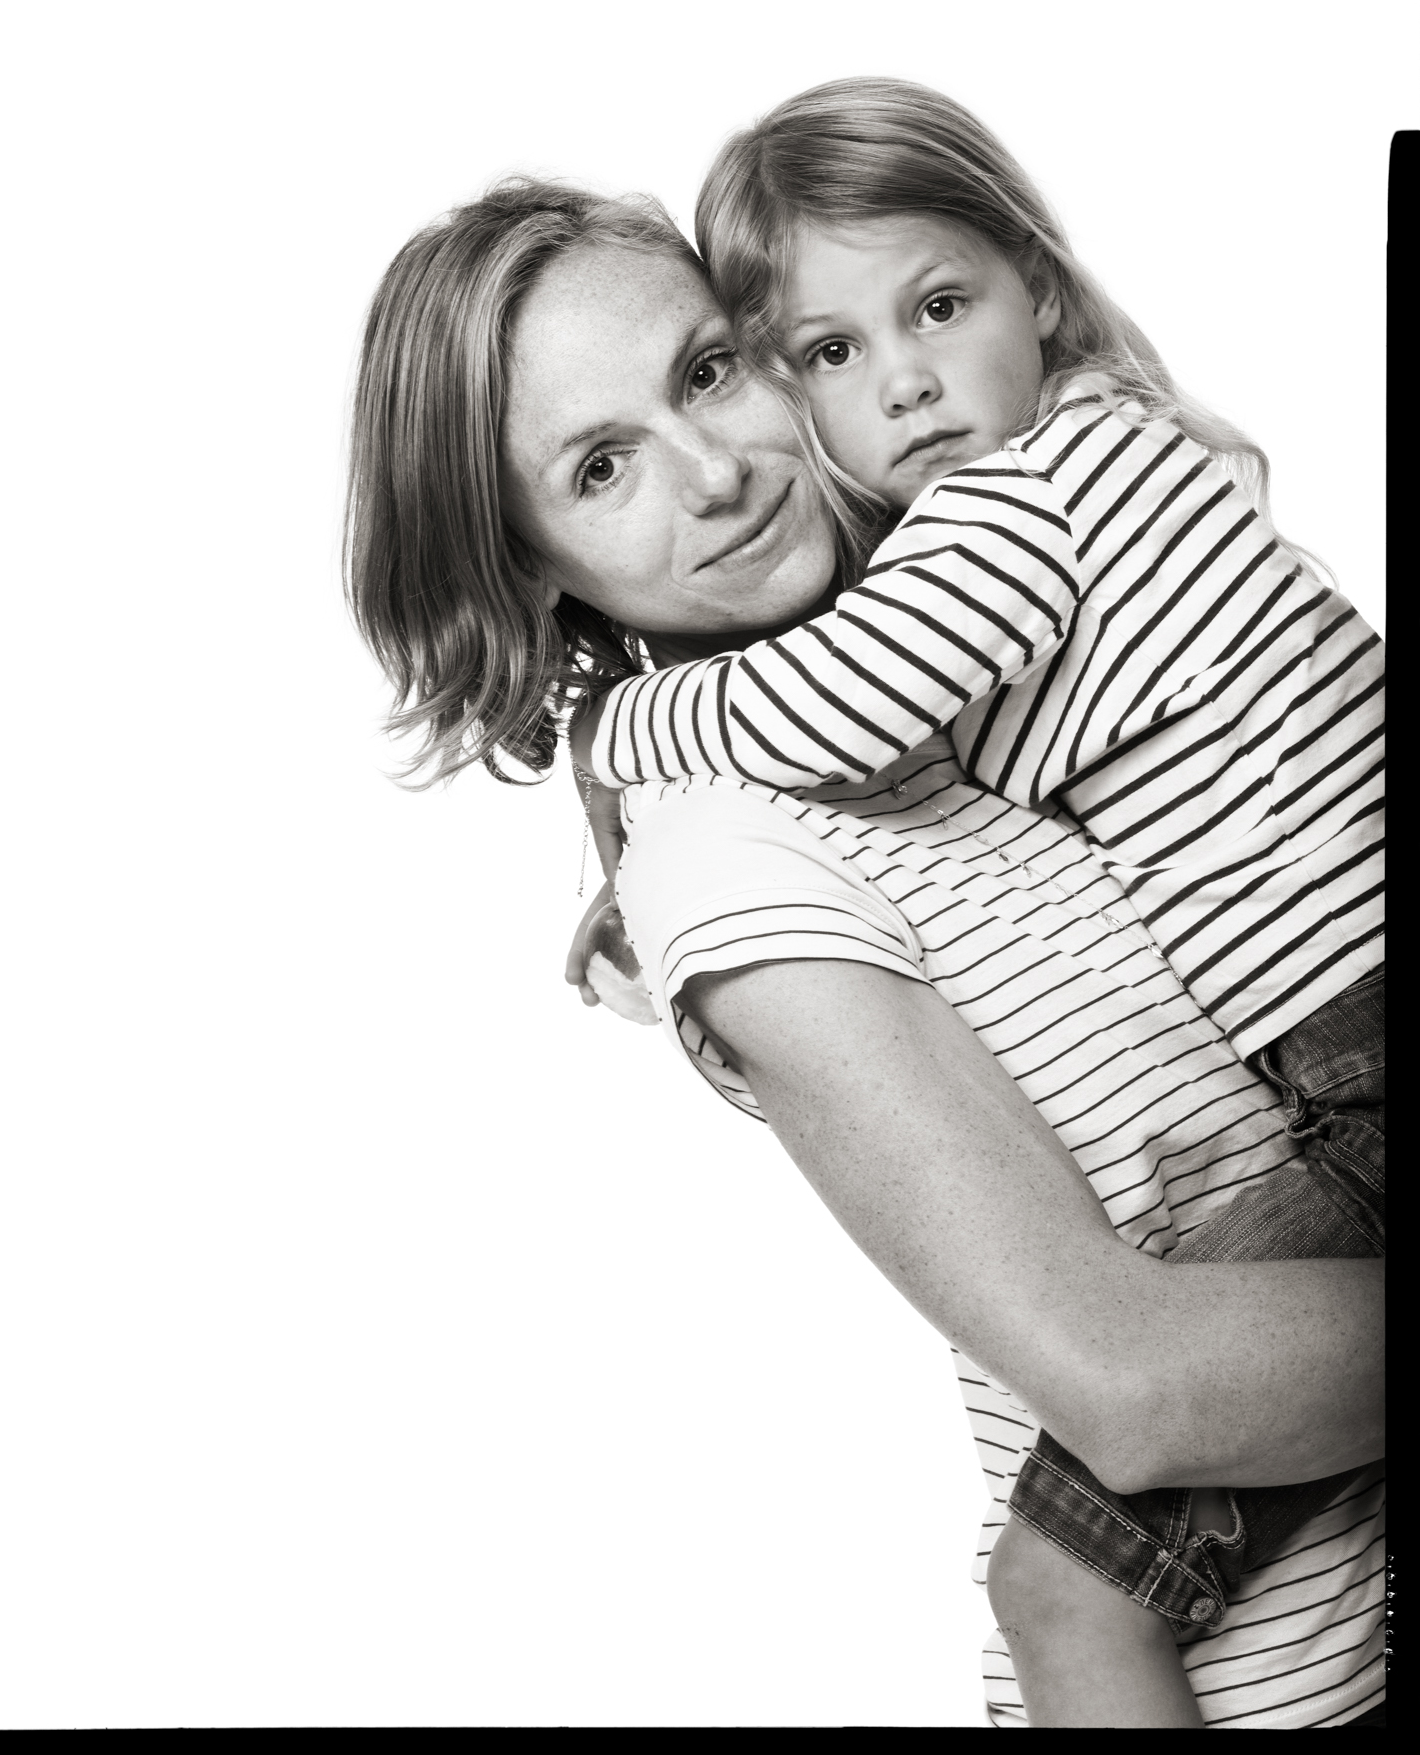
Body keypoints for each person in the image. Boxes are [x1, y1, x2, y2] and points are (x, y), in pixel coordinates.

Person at [344, 175, 1384, 1727]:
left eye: (709, 371)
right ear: (526, 564)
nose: (713, 475)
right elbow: (1133, 1386)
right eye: (601, 466)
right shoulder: (729, 857)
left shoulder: (960, 654)